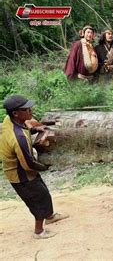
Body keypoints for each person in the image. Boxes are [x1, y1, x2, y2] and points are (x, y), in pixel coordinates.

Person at [0, 95, 69, 239]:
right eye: (26, 109)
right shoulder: (18, 138)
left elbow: (25, 128)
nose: (30, 111)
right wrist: (46, 167)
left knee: (43, 192)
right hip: (20, 174)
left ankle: (50, 216)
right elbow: (28, 164)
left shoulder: (11, 121)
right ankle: (39, 231)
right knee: (36, 199)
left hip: (24, 169)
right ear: (16, 113)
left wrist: (36, 129)